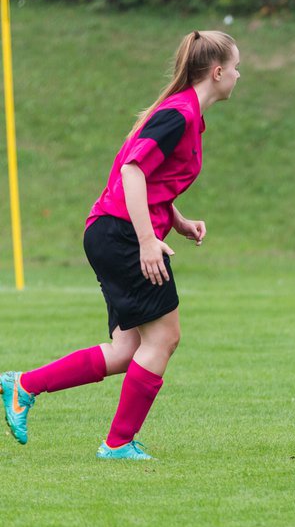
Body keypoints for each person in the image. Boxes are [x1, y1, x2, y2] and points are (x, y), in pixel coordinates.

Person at [2, 30, 241, 460]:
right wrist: (149, 240)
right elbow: (132, 172)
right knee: (164, 337)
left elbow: (152, 179)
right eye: (237, 67)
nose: (239, 75)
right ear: (218, 71)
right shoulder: (179, 115)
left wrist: (178, 221)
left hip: (112, 231)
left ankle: (23, 385)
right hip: (123, 235)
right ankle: (117, 444)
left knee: (127, 349)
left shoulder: (184, 114)